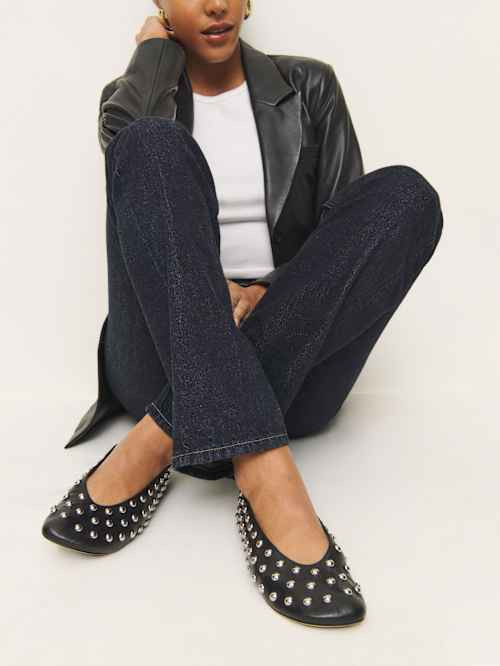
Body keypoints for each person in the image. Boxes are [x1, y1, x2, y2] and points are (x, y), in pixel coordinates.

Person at [41, 0, 443, 628]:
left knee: (406, 196)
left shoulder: (311, 86)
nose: (215, 4)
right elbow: (129, 181)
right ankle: (268, 477)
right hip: (158, 349)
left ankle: (159, 438)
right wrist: (153, 55)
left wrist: (265, 293)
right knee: (149, 143)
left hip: (293, 352)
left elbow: (343, 246)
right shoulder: (137, 89)